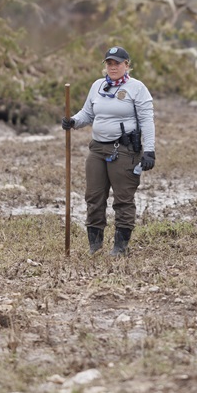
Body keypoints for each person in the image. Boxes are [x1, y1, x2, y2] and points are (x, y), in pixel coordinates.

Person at [61, 46, 156, 256]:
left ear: (127, 65)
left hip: (124, 149)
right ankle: (95, 247)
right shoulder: (97, 86)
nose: (113, 67)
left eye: (117, 63)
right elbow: (87, 113)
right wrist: (73, 121)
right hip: (97, 149)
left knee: (123, 199)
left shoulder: (137, 88)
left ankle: (120, 248)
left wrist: (149, 150)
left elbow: (147, 120)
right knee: (93, 197)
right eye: (109, 63)